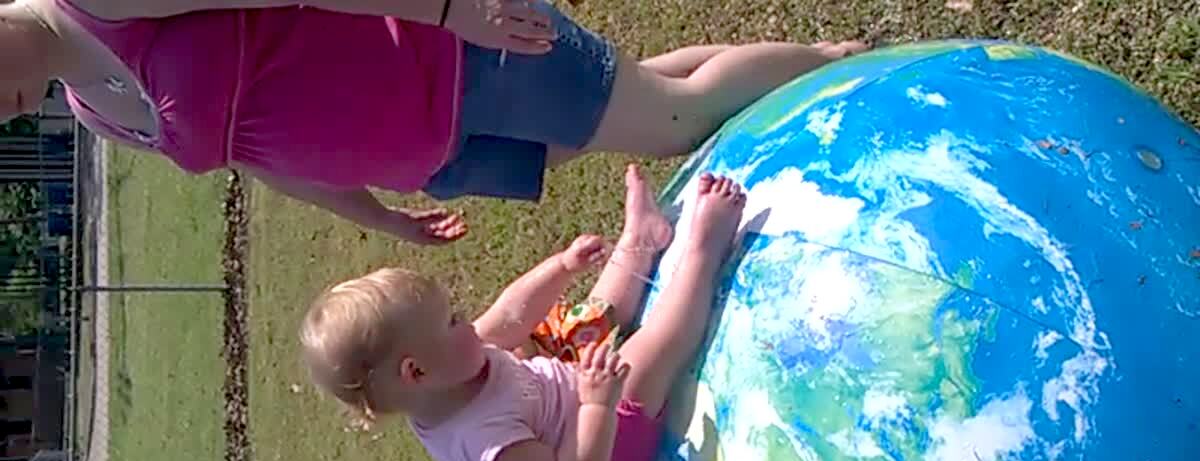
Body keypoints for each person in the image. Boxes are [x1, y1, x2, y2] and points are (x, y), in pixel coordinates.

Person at [0, 0, 860, 244]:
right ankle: (821, 59)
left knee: (671, 121)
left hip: (442, 58)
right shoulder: (91, 110)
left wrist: (453, 11)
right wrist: (372, 212)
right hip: (428, 150)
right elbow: (253, 157)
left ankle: (845, 67)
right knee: (626, 107)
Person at [299, 164, 744, 461]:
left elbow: (512, 314)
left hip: (564, 396)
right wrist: (596, 407)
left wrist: (562, 267)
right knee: (645, 356)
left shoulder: (452, 367)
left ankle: (642, 239)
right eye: (452, 322)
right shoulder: (486, 443)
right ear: (416, 372)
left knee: (578, 325)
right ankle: (706, 247)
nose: (467, 324)